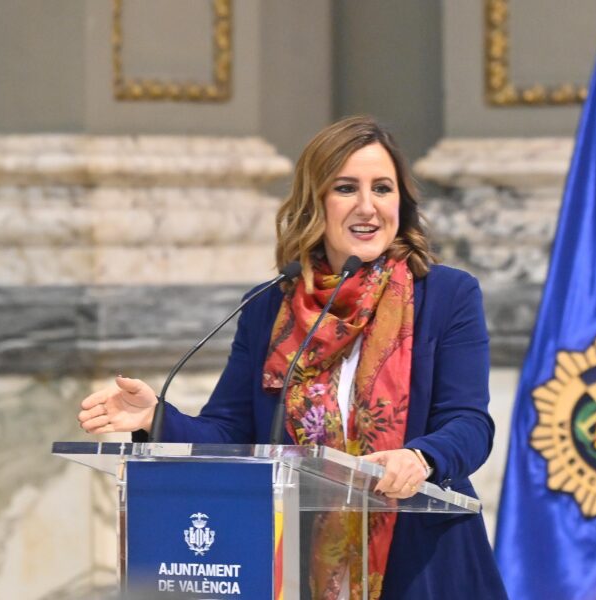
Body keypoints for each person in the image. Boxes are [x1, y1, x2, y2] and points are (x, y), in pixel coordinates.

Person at [77, 116, 509, 600]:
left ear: (400, 202)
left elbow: (469, 423)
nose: (367, 206)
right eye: (346, 188)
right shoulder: (269, 307)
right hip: (300, 569)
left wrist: (421, 457)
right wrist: (156, 417)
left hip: (423, 568)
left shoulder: (445, 295)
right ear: (314, 202)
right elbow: (230, 433)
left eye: (382, 188)